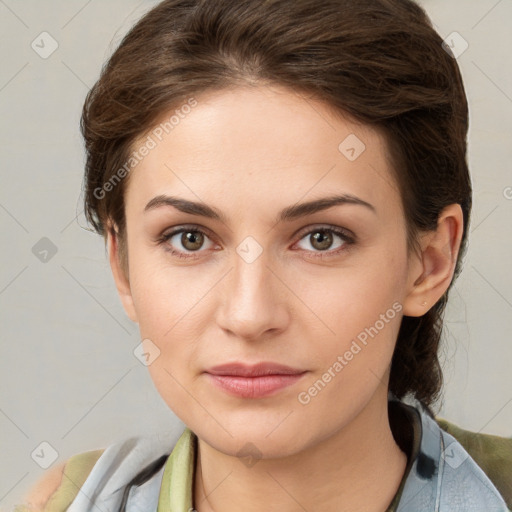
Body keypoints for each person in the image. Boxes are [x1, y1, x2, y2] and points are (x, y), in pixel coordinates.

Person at [15, 0, 512, 510]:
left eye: (322, 238)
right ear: (122, 265)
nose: (250, 316)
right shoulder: (67, 500)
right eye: (190, 238)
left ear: (429, 262)